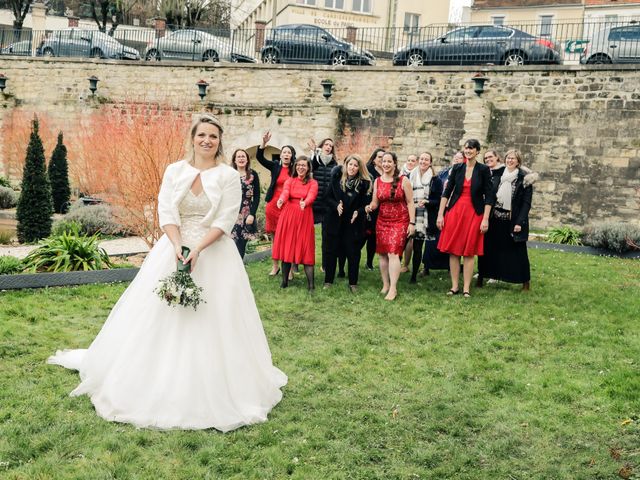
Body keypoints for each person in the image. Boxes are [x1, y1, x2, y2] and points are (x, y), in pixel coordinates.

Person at [48, 114, 287, 431]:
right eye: (201, 135)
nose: (206, 141)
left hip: (214, 252)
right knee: (160, 312)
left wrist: (198, 249)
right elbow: (166, 210)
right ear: (192, 138)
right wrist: (178, 246)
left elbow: (226, 219)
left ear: (219, 141)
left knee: (215, 318)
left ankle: (214, 383)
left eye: (213, 136)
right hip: (172, 248)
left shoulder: (228, 176)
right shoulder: (176, 171)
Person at [436, 139, 495, 298]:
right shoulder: (457, 168)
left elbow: (489, 196)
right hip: (455, 212)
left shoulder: (483, 170)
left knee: (469, 252)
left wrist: (485, 219)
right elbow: (446, 192)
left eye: (471, 149)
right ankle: (454, 286)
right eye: (466, 148)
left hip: (474, 213)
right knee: (454, 251)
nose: (468, 151)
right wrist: (441, 214)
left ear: (477, 151)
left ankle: (466, 288)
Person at [477, 149, 535, 290]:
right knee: (489, 249)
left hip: (512, 221)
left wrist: (519, 222)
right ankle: (483, 276)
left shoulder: (524, 179)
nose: (510, 160)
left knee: (518, 252)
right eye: (508, 158)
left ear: (518, 161)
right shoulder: (498, 175)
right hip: (495, 219)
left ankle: (524, 282)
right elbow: (490, 195)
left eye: (513, 158)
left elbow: (526, 203)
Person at [365, 152, 415, 301]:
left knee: (393, 253)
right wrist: (369, 206)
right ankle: (385, 284)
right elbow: (375, 202)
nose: (386, 164)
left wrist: (412, 223)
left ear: (394, 163)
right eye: (384, 161)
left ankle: (393, 288)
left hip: (400, 220)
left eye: (389, 161)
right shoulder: (377, 181)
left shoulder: (403, 180)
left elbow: (411, 202)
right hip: (382, 221)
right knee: (382, 253)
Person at [323, 154, 372, 292]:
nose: (352, 167)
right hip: (335, 221)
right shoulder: (336, 179)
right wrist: (335, 206)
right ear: (346, 165)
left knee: (353, 253)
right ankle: (328, 280)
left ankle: (353, 283)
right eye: (350, 164)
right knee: (331, 252)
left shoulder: (364, 184)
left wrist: (359, 211)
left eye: (355, 165)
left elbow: (366, 204)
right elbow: (327, 198)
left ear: (359, 168)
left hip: (353, 223)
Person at [272, 155, 319, 290]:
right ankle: (284, 282)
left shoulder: (313, 183)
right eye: (298, 165)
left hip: (304, 215)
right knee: (287, 246)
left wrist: (306, 202)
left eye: (304, 165)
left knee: (305, 246)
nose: (301, 167)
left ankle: (311, 285)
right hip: (289, 216)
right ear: (295, 167)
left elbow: (312, 195)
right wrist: (281, 200)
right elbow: (285, 192)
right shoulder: (290, 181)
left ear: (308, 167)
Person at [256, 131, 295, 276]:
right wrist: (264, 144)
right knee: (275, 238)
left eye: (288, 152)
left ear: (292, 156)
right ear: (281, 154)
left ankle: (289, 269)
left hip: (288, 206)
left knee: (288, 239)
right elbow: (260, 157)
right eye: (284, 152)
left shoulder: (295, 170)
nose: (286, 155)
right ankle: (275, 266)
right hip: (273, 205)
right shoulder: (275, 166)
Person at [408, 151, 443, 283]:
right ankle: (397, 269)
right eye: (421, 159)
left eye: (426, 160)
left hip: (424, 217)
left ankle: (413, 276)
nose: (423, 161)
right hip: (409, 213)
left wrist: (427, 202)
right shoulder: (409, 176)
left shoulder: (435, 179)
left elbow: (439, 200)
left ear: (430, 162)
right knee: (402, 244)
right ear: (418, 160)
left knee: (417, 247)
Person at [308, 138, 338, 272]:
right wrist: (314, 152)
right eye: (326, 144)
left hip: (327, 206)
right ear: (322, 146)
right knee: (306, 235)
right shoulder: (315, 160)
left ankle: (325, 265)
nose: (328, 147)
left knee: (327, 237)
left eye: (331, 146)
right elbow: (311, 167)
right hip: (313, 204)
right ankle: (299, 262)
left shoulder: (335, 164)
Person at [477, 149, 505, 282]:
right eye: (485, 158)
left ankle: (495, 273)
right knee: (483, 243)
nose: (488, 160)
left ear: (497, 157)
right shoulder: (484, 172)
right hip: (483, 210)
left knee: (495, 244)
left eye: (490, 157)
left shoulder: (503, 171)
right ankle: (483, 271)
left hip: (497, 212)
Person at [230, 148, 260, 258]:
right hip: (232, 212)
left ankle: (239, 270)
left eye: (243, 156)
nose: (241, 158)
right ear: (234, 160)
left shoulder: (253, 175)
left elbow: (256, 196)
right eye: (239, 156)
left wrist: (252, 214)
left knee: (241, 243)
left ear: (247, 160)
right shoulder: (230, 175)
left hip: (246, 213)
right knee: (231, 243)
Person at [363, 148, 385, 270]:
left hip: (382, 210)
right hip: (369, 207)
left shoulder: (387, 173)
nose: (382, 160)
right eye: (379, 157)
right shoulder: (368, 171)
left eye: (384, 157)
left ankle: (369, 262)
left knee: (373, 237)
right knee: (363, 235)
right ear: (374, 160)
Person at [400, 153, 418, 273]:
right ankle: (398, 261)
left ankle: (406, 264)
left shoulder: (418, 175)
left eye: (413, 161)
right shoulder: (401, 174)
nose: (410, 162)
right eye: (408, 160)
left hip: (414, 206)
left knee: (409, 237)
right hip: (401, 209)